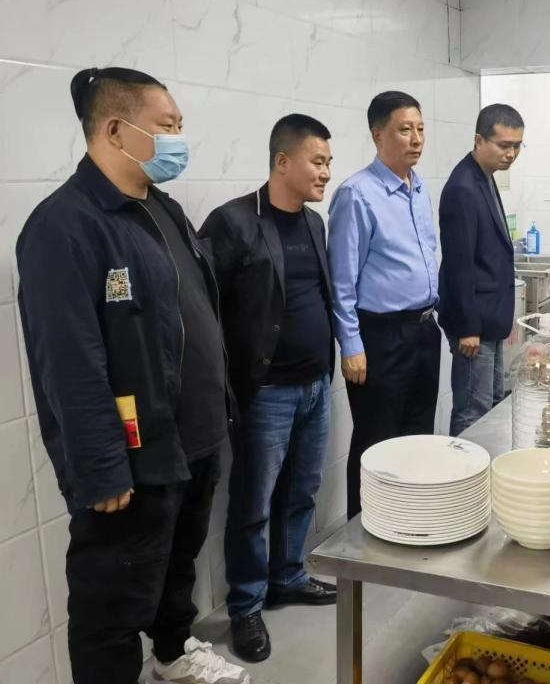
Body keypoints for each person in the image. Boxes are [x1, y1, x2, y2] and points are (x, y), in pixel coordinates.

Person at [16, 67, 249, 684]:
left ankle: (172, 654)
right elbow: (67, 358)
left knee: (176, 571)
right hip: (133, 458)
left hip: (191, 440)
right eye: (167, 125)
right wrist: (99, 464)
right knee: (110, 607)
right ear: (117, 130)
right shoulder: (64, 226)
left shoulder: (161, 208)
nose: (178, 139)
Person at [199, 114, 337, 663]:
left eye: (328, 162)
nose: (326, 172)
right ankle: (246, 606)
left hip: (315, 384)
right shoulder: (233, 223)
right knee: (253, 504)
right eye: (317, 161)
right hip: (266, 393)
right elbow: (204, 308)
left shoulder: (314, 223)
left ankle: (288, 576)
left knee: (302, 490)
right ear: (283, 162)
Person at [328, 91, 440, 519]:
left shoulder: (419, 188)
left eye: (420, 129)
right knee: (377, 443)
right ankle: (365, 533)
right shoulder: (357, 194)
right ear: (378, 135)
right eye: (404, 129)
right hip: (381, 338)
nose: (416, 139)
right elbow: (342, 280)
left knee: (418, 437)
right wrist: (351, 345)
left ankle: (410, 523)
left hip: (424, 331)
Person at [438, 104, 524, 436]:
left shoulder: (484, 177)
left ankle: (484, 466)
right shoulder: (463, 187)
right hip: (473, 326)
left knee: (491, 406)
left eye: (517, 146)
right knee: (472, 413)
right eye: (504, 145)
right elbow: (458, 263)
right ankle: (463, 468)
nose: (511, 154)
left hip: (490, 321)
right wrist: (467, 328)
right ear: (479, 140)